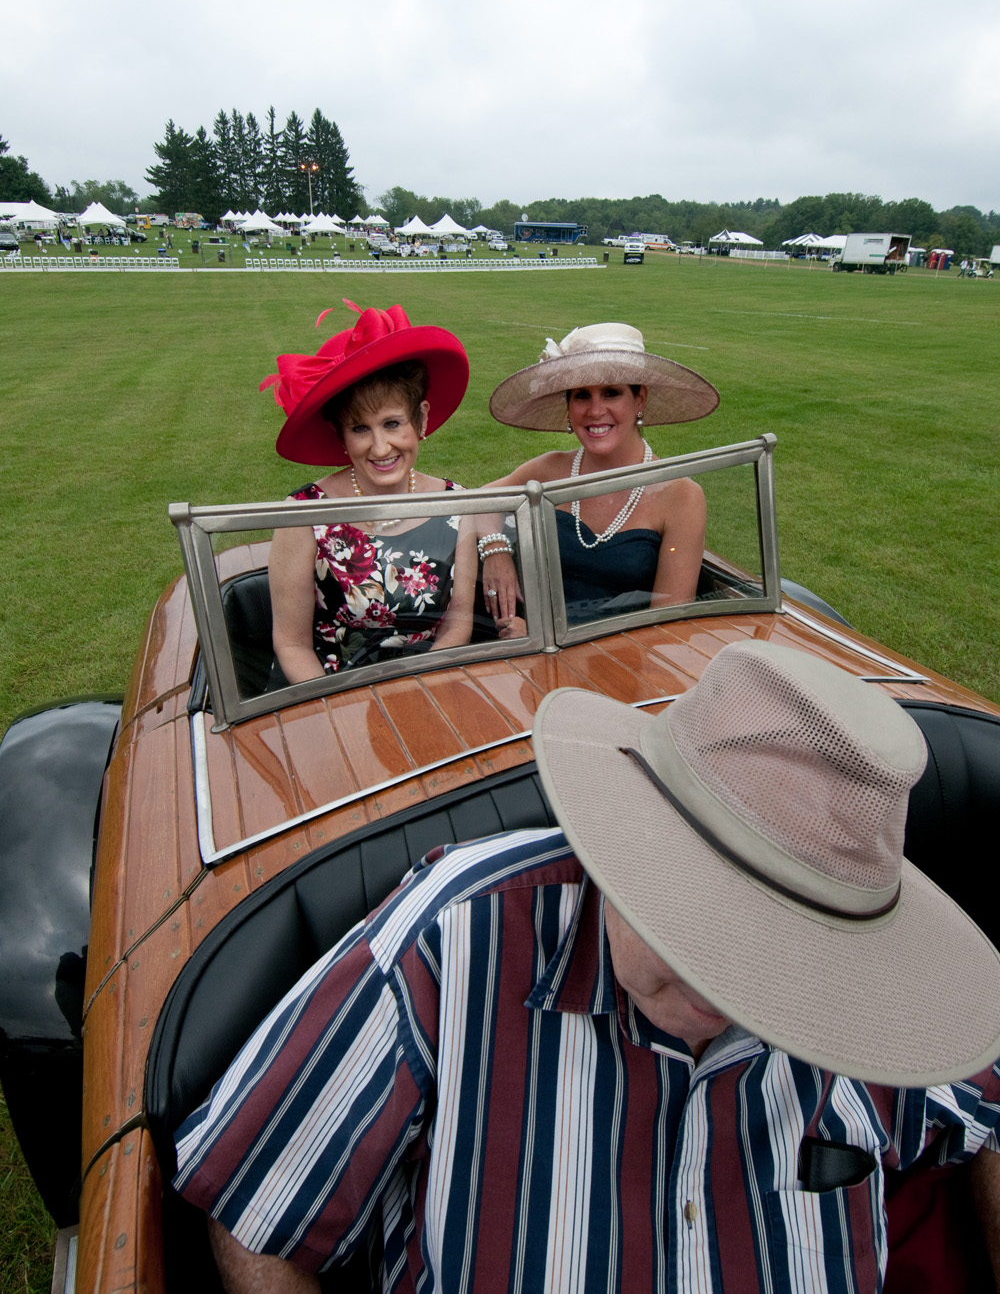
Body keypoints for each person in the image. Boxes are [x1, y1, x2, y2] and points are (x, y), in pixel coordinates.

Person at [174, 640, 1000, 1293]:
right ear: (621, 839)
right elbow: (258, 1205)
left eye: (784, 953)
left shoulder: (895, 1004)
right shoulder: (451, 939)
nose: (725, 990)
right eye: (693, 917)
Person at [260, 301, 477, 681]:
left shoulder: (457, 504)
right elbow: (291, 644)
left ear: (421, 418)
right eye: (360, 429)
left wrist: (421, 692)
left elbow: (456, 629)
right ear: (340, 435)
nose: (380, 448)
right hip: (327, 693)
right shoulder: (304, 514)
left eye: (392, 423)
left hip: (430, 683)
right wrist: (336, 713)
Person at [479, 322, 719, 630]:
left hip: (624, 663)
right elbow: (479, 503)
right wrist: (496, 551)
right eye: (581, 395)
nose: (595, 411)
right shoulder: (547, 470)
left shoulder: (681, 496)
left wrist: (543, 633)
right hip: (533, 657)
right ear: (568, 407)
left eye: (611, 393)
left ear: (640, 398)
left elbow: (668, 626)